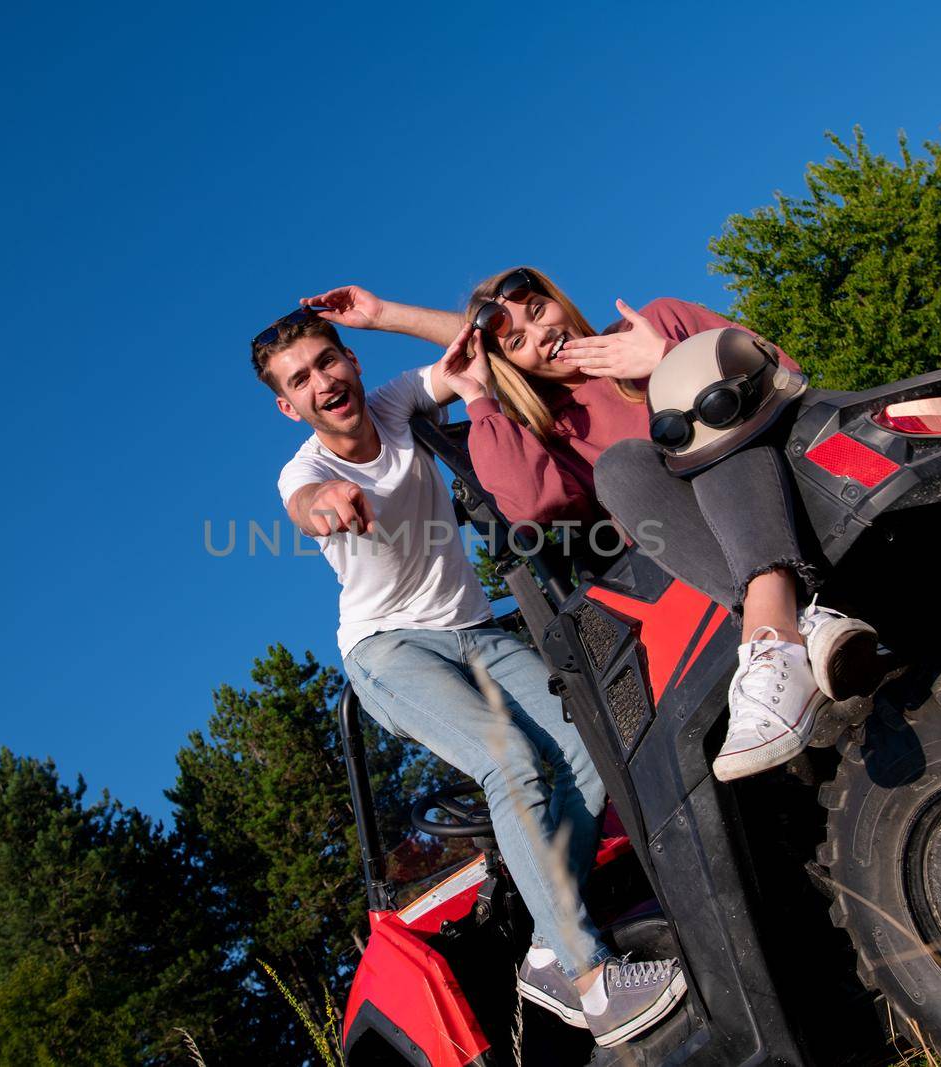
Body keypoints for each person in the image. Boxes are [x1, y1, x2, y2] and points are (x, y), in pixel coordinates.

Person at [253, 306, 686, 1046]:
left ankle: (551, 946)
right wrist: (323, 508)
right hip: (388, 649)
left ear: (351, 361)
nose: (323, 381)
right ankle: (592, 982)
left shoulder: (394, 402)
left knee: (594, 740)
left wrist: (383, 311)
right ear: (287, 405)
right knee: (507, 758)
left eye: (329, 361)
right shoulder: (307, 469)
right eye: (301, 379)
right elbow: (302, 503)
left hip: (474, 630)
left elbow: (480, 346)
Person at [302, 273, 882, 781]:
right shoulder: (554, 428)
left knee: (708, 416)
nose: (541, 334)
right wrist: (478, 396)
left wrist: (671, 362)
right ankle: (796, 624)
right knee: (624, 463)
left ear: (558, 298)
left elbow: (785, 374)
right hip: (688, 553)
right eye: (517, 343)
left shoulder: (658, 322)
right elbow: (529, 506)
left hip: (789, 491)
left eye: (538, 311)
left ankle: (775, 630)